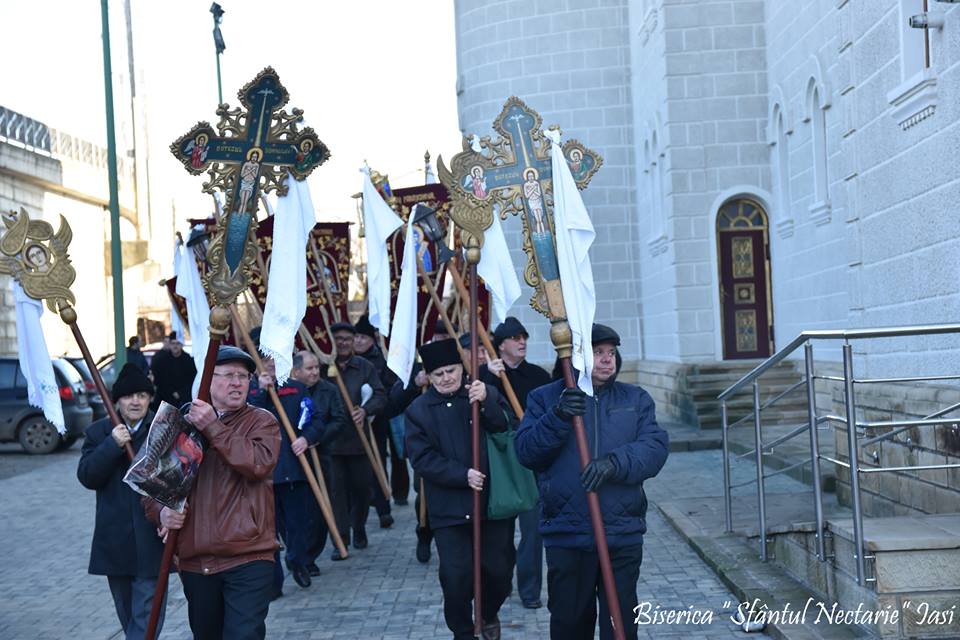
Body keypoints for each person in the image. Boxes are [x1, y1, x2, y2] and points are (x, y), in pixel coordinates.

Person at [515, 324, 670, 640]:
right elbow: (527, 451)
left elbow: (654, 448)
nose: (607, 360)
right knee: (570, 624)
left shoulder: (635, 399)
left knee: (621, 626)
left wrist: (615, 463)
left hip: (621, 532)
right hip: (567, 533)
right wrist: (557, 417)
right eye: (598, 353)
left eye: (611, 353)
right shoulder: (545, 399)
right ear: (578, 356)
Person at [145, 346, 281, 640]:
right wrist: (162, 513)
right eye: (228, 375)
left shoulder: (262, 421)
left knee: (244, 635)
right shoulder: (178, 423)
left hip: (249, 556)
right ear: (207, 381)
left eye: (243, 376)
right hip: (197, 560)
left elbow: (257, 464)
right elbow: (152, 488)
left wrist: (213, 428)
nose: (237, 383)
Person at [406, 338, 516, 640]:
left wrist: (489, 401)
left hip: (492, 504)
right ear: (428, 377)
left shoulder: (482, 392)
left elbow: (505, 427)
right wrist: (461, 474)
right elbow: (421, 458)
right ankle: (463, 631)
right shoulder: (419, 410)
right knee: (456, 577)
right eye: (438, 374)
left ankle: (488, 611)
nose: (446, 379)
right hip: (450, 510)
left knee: (500, 571)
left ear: (462, 368)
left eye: (451, 371)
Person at [77, 363, 167, 639]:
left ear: (150, 398)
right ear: (117, 400)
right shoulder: (99, 432)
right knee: (128, 615)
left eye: (142, 395)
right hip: (115, 541)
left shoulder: (163, 428)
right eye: (129, 396)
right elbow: (88, 476)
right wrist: (111, 446)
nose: (136, 401)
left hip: (152, 538)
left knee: (147, 618)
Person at [479, 316, 551, 610]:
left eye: (524, 337)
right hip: (501, 462)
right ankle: (501, 581)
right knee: (502, 531)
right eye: (515, 338)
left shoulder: (539, 376)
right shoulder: (486, 376)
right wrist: (489, 379)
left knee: (533, 530)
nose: (522, 342)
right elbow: (477, 413)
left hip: (532, 460)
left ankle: (530, 590)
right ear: (500, 345)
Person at [249, 357, 324, 591]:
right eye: (264, 360)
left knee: (298, 524)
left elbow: (315, 418)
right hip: (263, 473)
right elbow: (245, 420)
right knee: (269, 532)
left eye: (274, 360)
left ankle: (297, 561)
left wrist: (306, 438)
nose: (270, 365)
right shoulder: (247, 392)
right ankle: (274, 582)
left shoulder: (296, 387)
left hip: (293, 468)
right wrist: (260, 392)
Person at [326, 321, 387, 558]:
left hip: (360, 441)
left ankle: (359, 526)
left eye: (347, 339)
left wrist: (366, 409)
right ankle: (340, 538)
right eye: (338, 338)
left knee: (362, 489)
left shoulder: (364, 367)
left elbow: (380, 394)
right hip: (331, 442)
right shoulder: (323, 367)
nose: (342, 343)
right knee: (336, 492)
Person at [289, 350, 349, 570]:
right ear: (296, 371)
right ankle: (296, 551)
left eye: (316, 367)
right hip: (292, 459)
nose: (315, 372)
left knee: (320, 507)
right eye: (310, 368)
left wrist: (315, 438)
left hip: (321, 455)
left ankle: (311, 556)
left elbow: (338, 419)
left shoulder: (328, 390)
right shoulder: (287, 391)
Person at [354, 314, 406, 516]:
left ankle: (385, 506)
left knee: (381, 458)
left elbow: (389, 385)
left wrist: (374, 406)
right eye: (356, 337)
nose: (359, 341)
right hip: (353, 419)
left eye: (363, 338)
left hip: (380, 417)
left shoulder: (381, 357)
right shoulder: (346, 359)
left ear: (372, 339)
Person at [149, 332, 196, 410]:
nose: (175, 346)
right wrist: (172, 392)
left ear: (181, 344)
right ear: (169, 344)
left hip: (185, 400)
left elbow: (192, 380)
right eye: (173, 343)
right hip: (165, 400)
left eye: (178, 343)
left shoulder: (189, 360)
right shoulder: (161, 360)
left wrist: (181, 393)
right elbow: (159, 380)